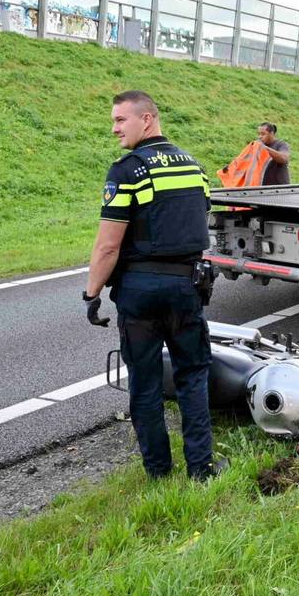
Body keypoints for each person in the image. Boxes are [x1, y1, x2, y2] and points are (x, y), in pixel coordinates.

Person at [82, 90, 226, 482]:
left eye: (119, 120)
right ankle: (202, 468)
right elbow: (200, 222)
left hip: (140, 291)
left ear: (147, 119)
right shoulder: (193, 167)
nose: (113, 129)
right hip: (186, 287)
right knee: (193, 375)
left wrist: (92, 293)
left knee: (144, 383)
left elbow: (109, 244)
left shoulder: (127, 170)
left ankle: (159, 472)